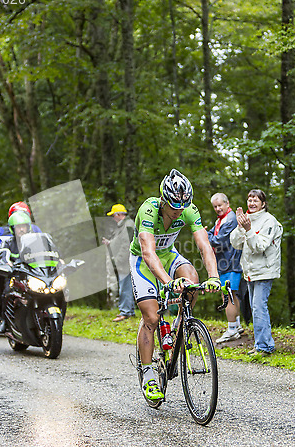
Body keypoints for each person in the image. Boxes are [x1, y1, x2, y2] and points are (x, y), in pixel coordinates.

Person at [129, 169, 221, 401]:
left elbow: (204, 246)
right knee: (151, 317)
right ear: (163, 200)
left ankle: (181, 326)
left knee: (192, 278)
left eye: (183, 206)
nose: (179, 211)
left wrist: (214, 277)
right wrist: (169, 283)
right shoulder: (148, 210)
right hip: (143, 261)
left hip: (169, 255)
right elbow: (148, 253)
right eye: (173, 207)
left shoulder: (188, 209)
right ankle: (149, 373)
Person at [230, 189, 283, 356]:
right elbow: (236, 244)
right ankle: (263, 344)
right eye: (249, 200)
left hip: (264, 271)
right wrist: (240, 227)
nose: (251, 203)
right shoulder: (248, 220)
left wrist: (248, 229)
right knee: (256, 308)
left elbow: (259, 247)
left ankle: (265, 347)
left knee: (259, 308)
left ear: (263, 204)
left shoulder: (269, 221)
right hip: (251, 271)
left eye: (255, 201)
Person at [0, 202, 41, 329]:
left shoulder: (36, 230)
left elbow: (46, 247)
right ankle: (1, 313)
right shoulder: (1, 233)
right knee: (3, 280)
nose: (21, 228)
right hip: (11, 271)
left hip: (34, 270)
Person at [207, 193, 243, 343]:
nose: (217, 209)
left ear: (227, 203)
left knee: (228, 296)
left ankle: (232, 329)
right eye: (215, 206)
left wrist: (204, 235)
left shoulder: (230, 219)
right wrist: (208, 234)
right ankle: (237, 325)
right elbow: (214, 235)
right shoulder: (221, 219)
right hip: (225, 263)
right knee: (231, 295)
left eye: (220, 205)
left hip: (231, 263)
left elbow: (218, 241)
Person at [102, 204, 135, 322]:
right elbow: (120, 241)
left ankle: (125, 312)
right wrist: (110, 243)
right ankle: (129, 311)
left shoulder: (128, 225)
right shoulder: (124, 226)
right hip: (125, 261)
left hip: (125, 262)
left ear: (119, 215)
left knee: (125, 286)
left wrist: (118, 260)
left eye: (114, 215)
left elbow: (126, 245)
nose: (113, 218)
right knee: (127, 286)